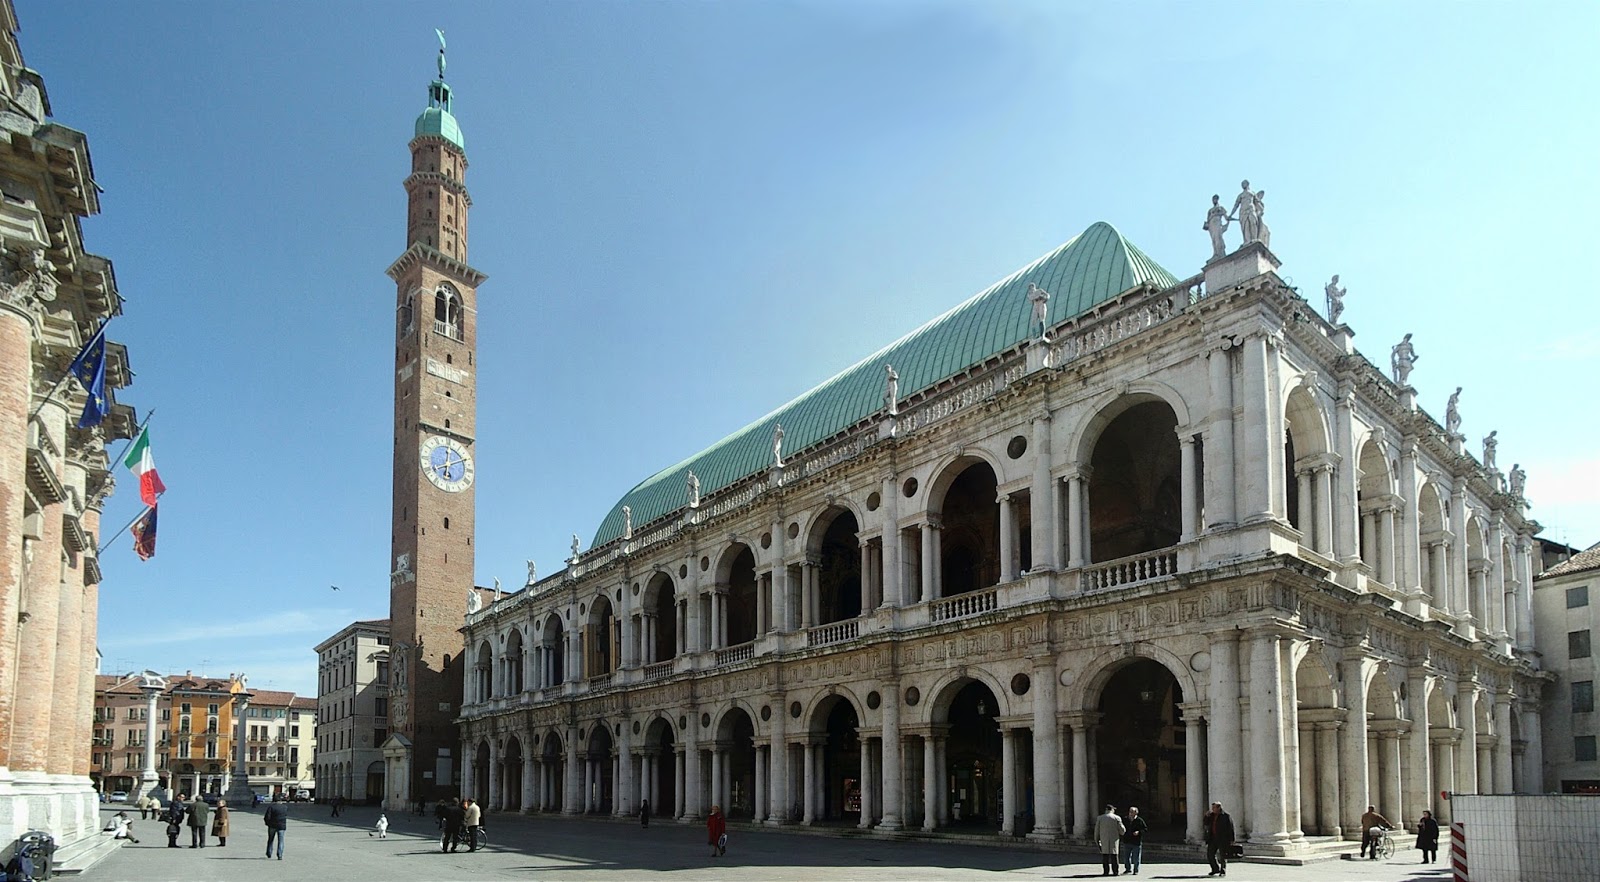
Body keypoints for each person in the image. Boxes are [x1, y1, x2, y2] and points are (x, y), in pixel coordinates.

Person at [1203, 801, 1235, 877]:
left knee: (1223, 855)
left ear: (1219, 808)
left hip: (1223, 838)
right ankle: (1215, 869)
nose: (1212, 809)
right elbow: (1206, 823)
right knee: (1210, 854)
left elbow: (1230, 828)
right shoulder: (1211, 816)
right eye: (1212, 807)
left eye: (1214, 807)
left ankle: (1222, 870)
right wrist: (1206, 816)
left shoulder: (1226, 816)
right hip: (1212, 838)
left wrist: (1232, 839)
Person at [1095, 804, 1125, 876]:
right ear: (1112, 810)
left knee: (1105, 856)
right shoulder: (1117, 818)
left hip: (1104, 839)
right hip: (1114, 840)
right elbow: (1122, 830)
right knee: (1114, 856)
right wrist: (1122, 833)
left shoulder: (1100, 818)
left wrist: (1097, 840)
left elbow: (1097, 831)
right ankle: (1115, 872)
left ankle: (1106, 871)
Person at [1122, 805, 1148, 875]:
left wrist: (1139, 832)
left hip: (1136, 841)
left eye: (1132, 812)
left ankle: (1136, 870)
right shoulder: (1125, 819)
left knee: (1136, 857)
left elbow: (1145, 829)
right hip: (1127, 840)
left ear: (1136, 813)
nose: (1130, 813)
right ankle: (1128, 869)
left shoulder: (1139, 820)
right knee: (1126, 856)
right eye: (1130, 811)